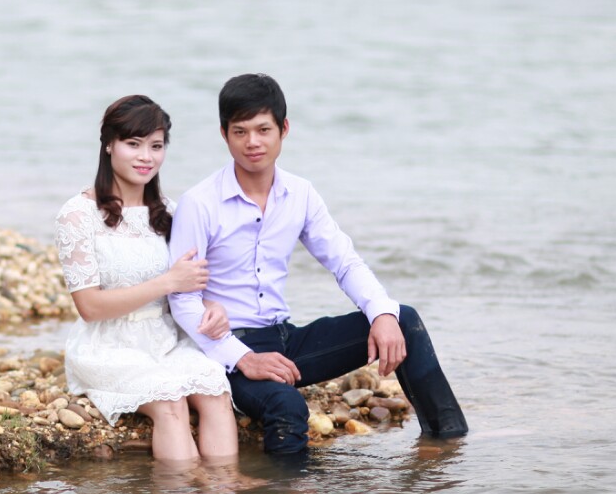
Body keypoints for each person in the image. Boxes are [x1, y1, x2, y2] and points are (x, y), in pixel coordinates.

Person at [167, 74, 468, 455]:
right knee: (287, 407)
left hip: (285, 340)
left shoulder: (300, 194)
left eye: (263, 130)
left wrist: (381, 313)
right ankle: (285, 493)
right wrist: (242, 358)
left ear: (284, 129)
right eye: (240, 132)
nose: (253, 142)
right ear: (224, 134)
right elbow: (182, 300)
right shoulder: (200, 203)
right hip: (228, 348)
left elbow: (344, 262)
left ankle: (447, 447)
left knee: (403, 319)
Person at [54, 94, 239, 462]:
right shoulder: (78, 215)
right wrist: (167, 282)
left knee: (216, 392)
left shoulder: (171, 212)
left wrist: (214, 307)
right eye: (133, 144)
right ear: (109, 144)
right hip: (108, 345)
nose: (146, 157)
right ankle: (181, 492)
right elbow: (89, 307)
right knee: (171, 403)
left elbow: (194, 282)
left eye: (156, 146)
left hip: (168, 338)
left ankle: (224, 491)